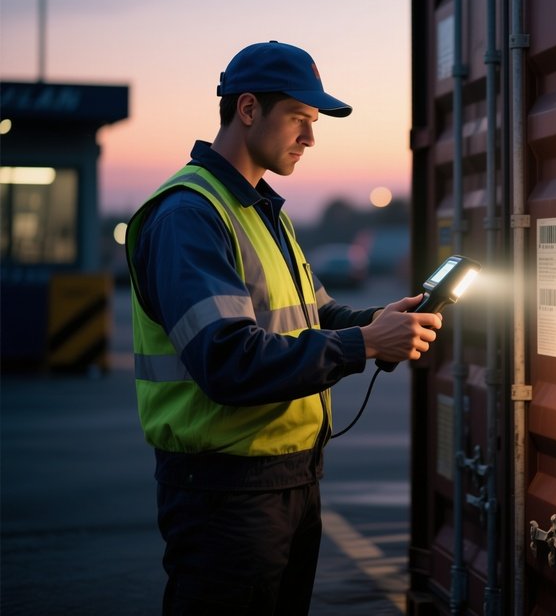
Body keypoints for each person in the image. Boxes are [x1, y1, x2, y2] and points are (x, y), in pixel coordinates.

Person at [125, 40, 442, 615]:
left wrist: (379, 319)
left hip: (289, 482)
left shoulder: (261, 211)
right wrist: (367, 343)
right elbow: (227, 360)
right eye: (299, 118)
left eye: (314, 122)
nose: (310, 138)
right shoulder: (190, 215)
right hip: (225, 493)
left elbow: (316, 317)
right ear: (248, 110)